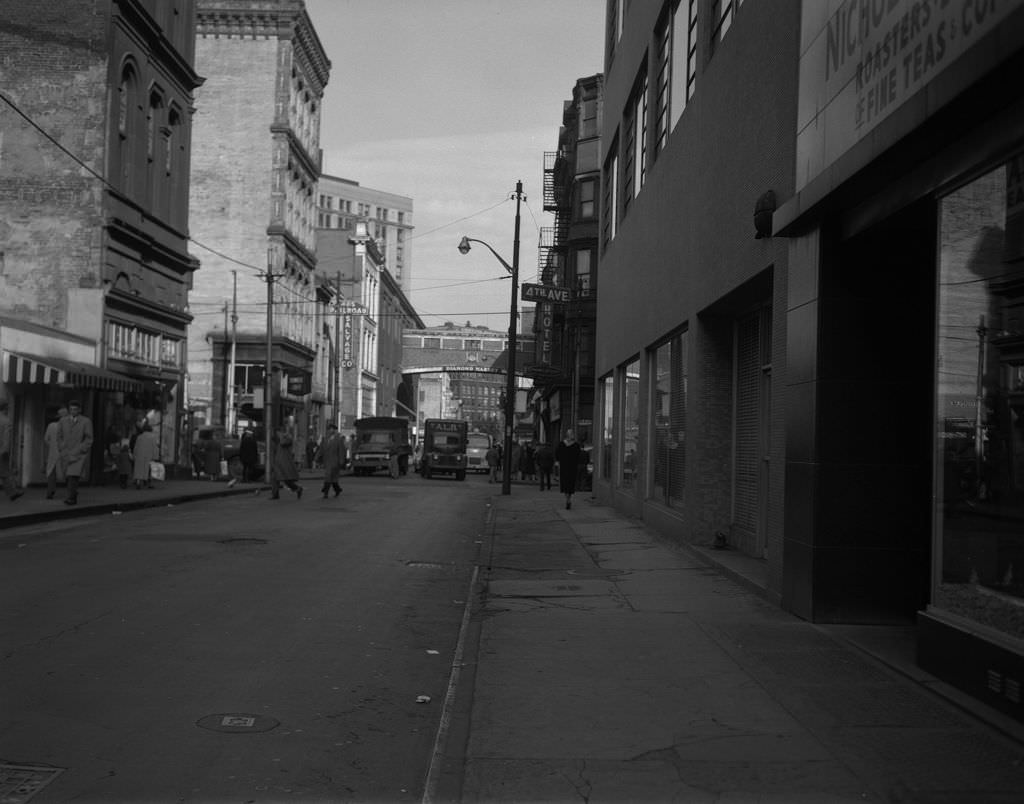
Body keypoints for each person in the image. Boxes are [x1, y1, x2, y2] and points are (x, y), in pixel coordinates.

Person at [57, 399, 93, 505]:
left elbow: (89, 438)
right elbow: (59, 436)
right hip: (66, 453)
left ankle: (71, 498)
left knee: (73, 475)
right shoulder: (63, 421)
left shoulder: (86, 421)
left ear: (80, 410)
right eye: (71, 409)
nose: (73, 411)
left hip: (78, 454)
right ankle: (73, 493)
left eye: (75, 409)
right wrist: (61, 447)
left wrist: (82, 448)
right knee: (67, 477)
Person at [0, 400, 24, 502]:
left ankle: (12, 492)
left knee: (4, 472)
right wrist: (5, 450)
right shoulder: (6, 421)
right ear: (5, 409)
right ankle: (12, 492)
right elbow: (6, 437)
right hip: (1, 451)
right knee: (5, 473)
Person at [270, 428, 303, 500]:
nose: (277, 434)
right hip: (278, 463)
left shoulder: (288, 438)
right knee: (274, 478)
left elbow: (283, 443)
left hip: (285, 464)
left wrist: (281, 436)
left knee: (287, 481)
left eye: (278, 432)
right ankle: (275, 494)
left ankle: (298, 489)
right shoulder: (279, 440)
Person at [555, 429, 584, 510]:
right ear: (568, 435)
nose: (573, 435)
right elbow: (557, 454)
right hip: (570, 466)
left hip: (567, 466)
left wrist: (558, 461)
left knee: (568, 483)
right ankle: (568, 499)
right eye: (571, 434)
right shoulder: (570, 445)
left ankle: (567, 499)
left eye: (572, 433)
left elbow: (557, 454)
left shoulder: (574, 445)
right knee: (568, 483)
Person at [315, 424, 346, 498]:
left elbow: (341, 451)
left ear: (334, 430)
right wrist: (316, 457)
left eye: (331, 429)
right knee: (332, 478)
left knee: (328, 477)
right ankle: (337, 489)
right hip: (327, 461)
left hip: (335, 461)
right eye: (328, 429)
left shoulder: (339, 439)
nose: (329, 430)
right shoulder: (325, 439)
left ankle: (325, 492)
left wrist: (341, 461)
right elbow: (321, 449)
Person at [43, 405, 68, 499]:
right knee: (68, 473)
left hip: (53, 454)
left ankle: (50, 492)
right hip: (64, 454)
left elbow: (46, 439)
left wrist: (53, 446)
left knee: (51, 473)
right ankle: (71, 492)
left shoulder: (51, 426)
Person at [131, 422, 159, 489]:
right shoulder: (153, 437)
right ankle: (149, 483)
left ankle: (138, 482)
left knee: (139, 470)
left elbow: (136, 447)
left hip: (140, 455)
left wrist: (134, 455)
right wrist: (155, 456)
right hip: (149, 455)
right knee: (149, 470)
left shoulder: (139, 437)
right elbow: (155, 447)